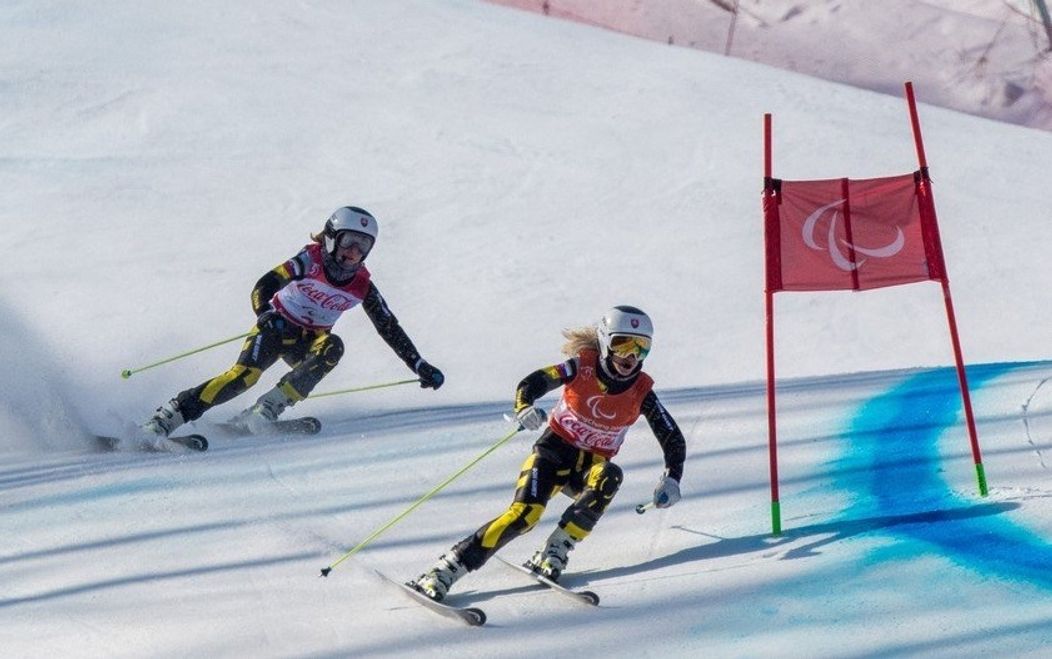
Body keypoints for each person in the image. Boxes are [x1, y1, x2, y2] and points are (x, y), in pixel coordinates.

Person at [409, 305, 685, 601]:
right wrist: (524, 407)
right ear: (606, 342)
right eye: (622, 344)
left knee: (608, 477)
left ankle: (556, 549)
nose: (630, 357)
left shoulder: (641, 391)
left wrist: (672, 477)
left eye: (641, 348)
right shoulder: (581, 367)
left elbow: (672, 437)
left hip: (587, 469)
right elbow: (532, 383)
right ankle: (445, 570)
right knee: (525, 516)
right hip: (553, 454)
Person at [139, 206, 444, 446]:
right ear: (330, 237)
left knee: (332, 347)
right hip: (277, 327)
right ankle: (167, 418)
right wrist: (263, 313)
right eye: (349, 241)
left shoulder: (362, 285)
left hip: (308, 343)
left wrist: (418, 365)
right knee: (243, 377)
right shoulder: (309, 261)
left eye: (363, 246)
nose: (354, 252)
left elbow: (388, 327)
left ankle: (266, 409)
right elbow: (265, 284)